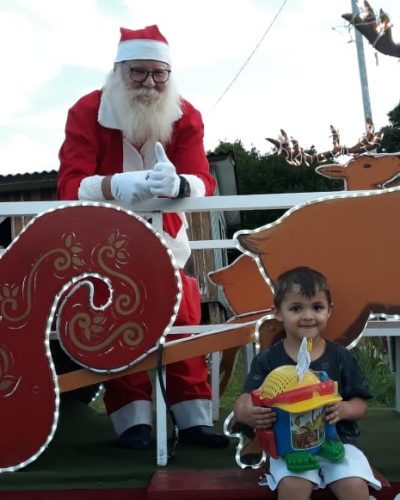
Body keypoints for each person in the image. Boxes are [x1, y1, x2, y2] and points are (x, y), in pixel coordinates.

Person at [57, 24, 228, 450]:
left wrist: (179, 186)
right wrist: (117, 186)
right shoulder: (85, 112)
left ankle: (194, 419)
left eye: (158, 74)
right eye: (138, 73)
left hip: (166, 240)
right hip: (103, 244)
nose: (149, 84)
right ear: (118, 70)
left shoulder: (185, 114)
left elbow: (203, 179)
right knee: (119, 322)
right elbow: (70, 184)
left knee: (185, 313)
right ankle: (133, 421)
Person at [233, 267, 381, 500]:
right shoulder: (269, 359)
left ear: (329, 311)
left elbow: (360, 404)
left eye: (317, 307)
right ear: (278, 312)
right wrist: (247, 412)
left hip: (338, 441)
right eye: (296, 308)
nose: (308, 316)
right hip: (288, 447)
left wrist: (345, 409)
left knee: (354, 486)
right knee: (293, 486)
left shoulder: (340, 356)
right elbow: (244, 398)